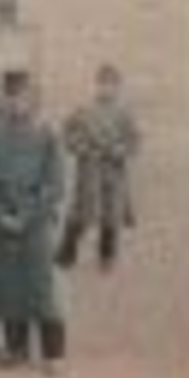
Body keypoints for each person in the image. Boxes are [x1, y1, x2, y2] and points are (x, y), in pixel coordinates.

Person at [0, 73, 67, 374]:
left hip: (35, 222)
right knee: (9, 286)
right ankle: (16, 348)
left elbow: (55, 184)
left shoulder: (47, 134)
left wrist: (28, 215)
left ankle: (53, 353)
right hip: (2, 220)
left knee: (41, 287)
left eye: (23, 97)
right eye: (11, 97)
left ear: (34, 100)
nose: (17, 104)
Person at [56, 64, 141, 271]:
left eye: (111, 85)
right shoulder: (84, 109)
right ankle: (66, 253)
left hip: (113, 172)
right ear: (96, 85)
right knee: (80, 214)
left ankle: (107, 256)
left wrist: (119, 150)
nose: (106, 89)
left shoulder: (124, 113)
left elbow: (135, 140)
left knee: (111, 217)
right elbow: (66, 133)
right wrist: (82, 148)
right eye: (103, 84)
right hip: (90, 171)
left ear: (118, 87)